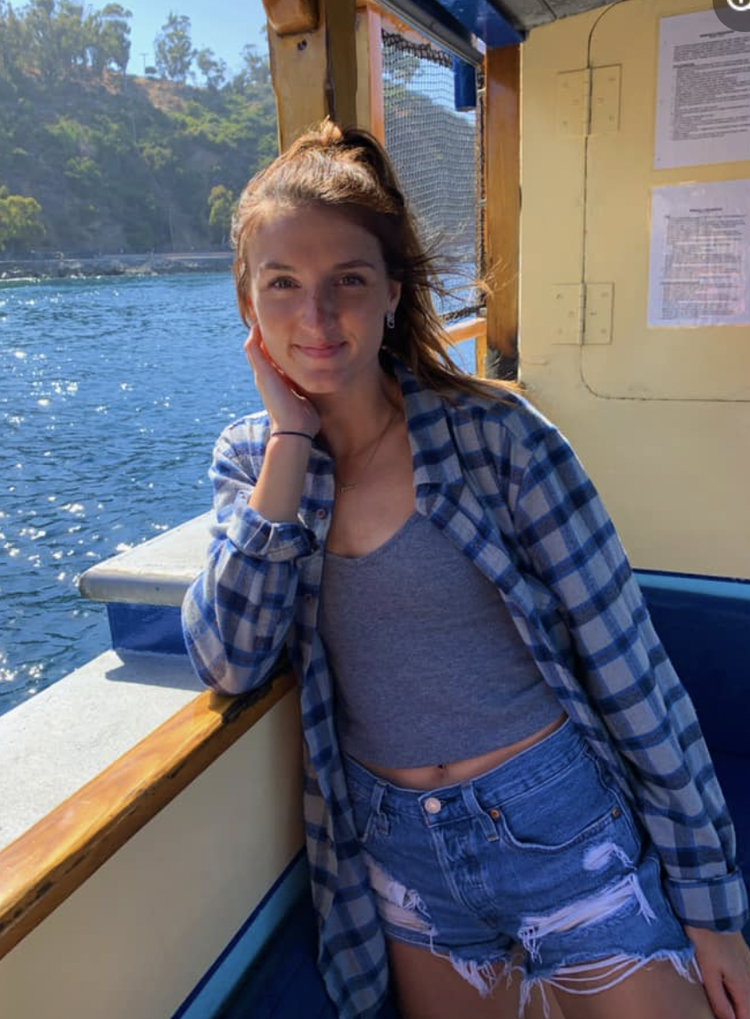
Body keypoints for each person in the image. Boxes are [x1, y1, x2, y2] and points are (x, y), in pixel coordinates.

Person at [181, 120, 750, 1019]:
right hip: (402, 857)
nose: (315, 317)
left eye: (348, 281)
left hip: (563, 826)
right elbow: (230, 658)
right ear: (248, 303)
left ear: (393, 292)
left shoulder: (501, 440)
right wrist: (290, 437)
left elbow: (635, 674)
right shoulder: (252, 462)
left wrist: (713, 907)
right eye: (282, 283)